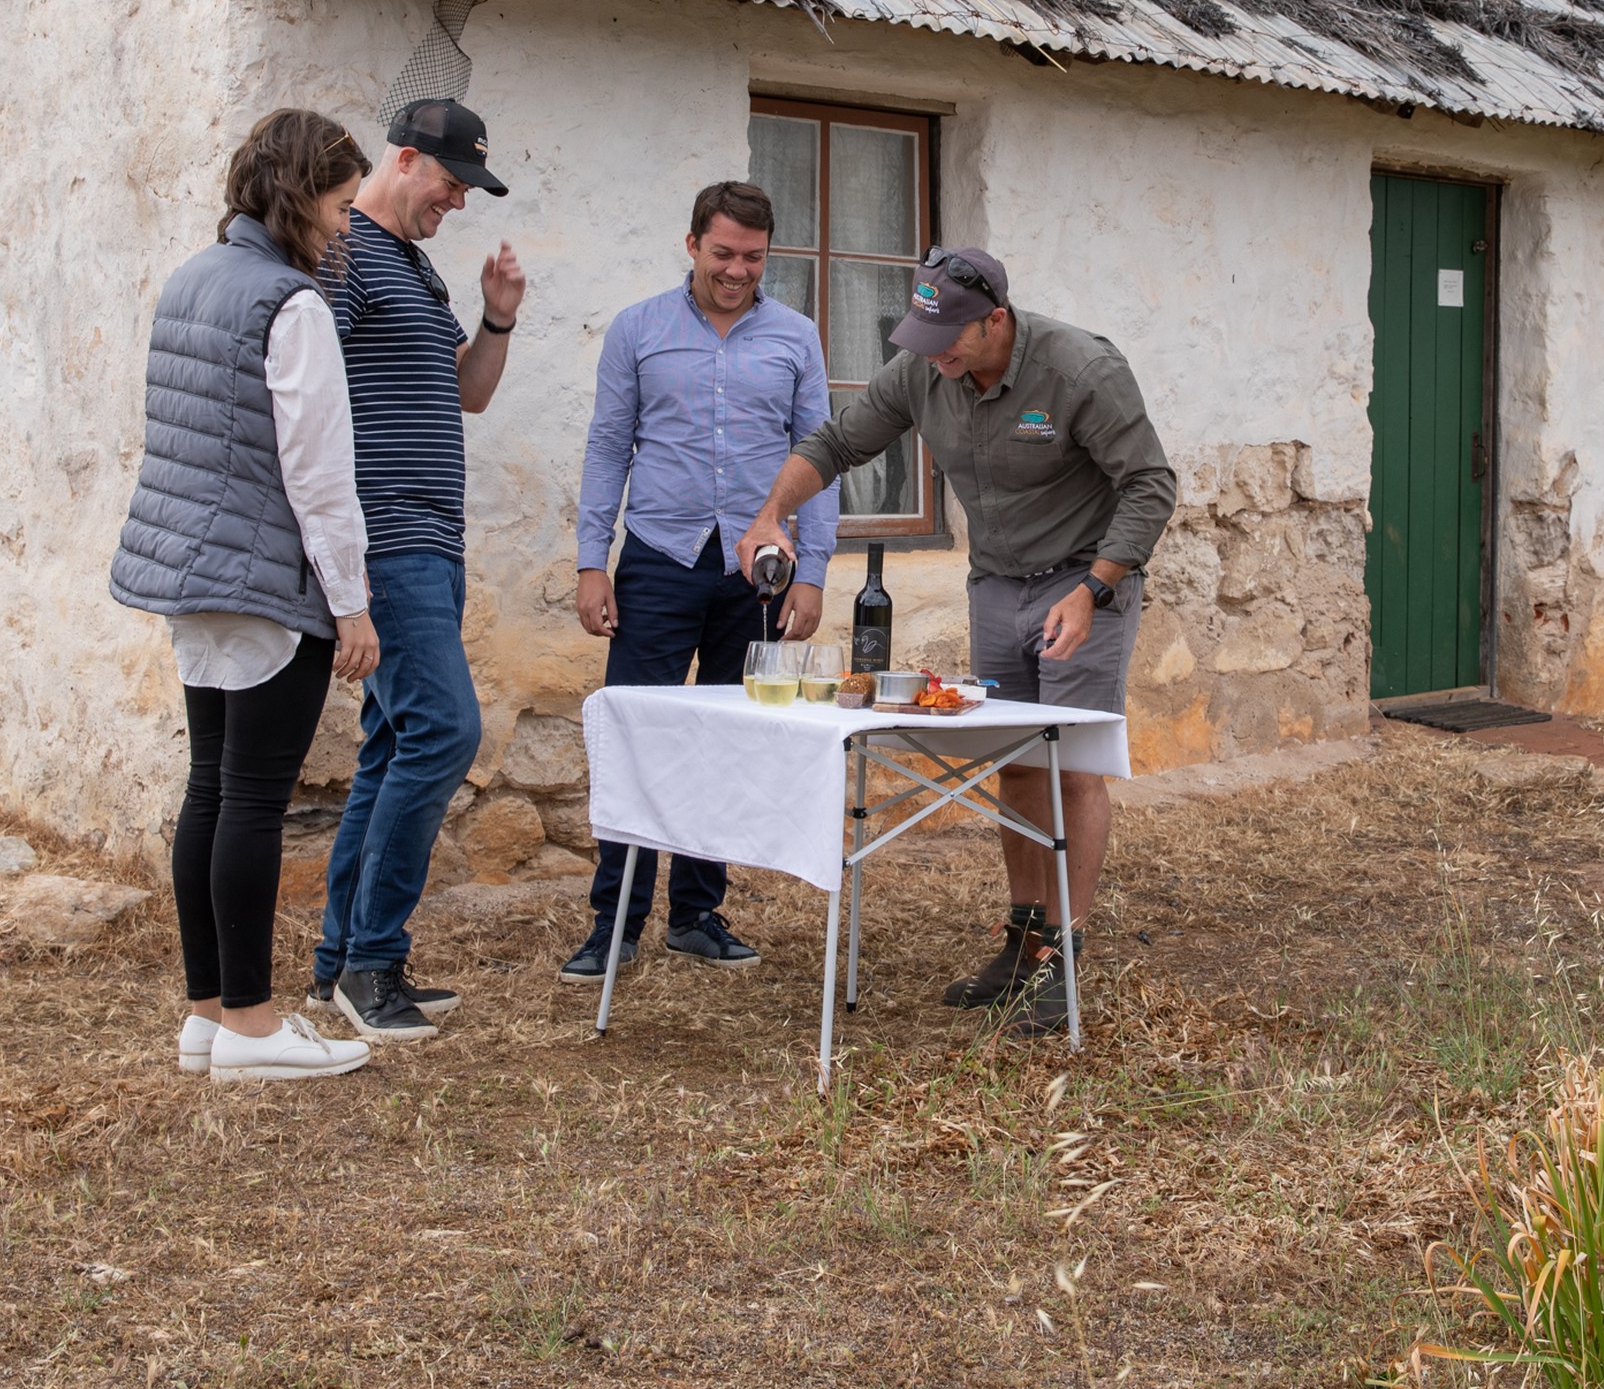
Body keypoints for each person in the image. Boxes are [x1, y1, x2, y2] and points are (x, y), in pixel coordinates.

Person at [736, 247, 1174, 1035]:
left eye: (949, 337)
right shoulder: (923, 368)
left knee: (1071, 765)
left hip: (1085, 582)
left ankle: (1063, 958)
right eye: (923, 333)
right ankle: (1023, 937)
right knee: (1014, 763)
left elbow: (1150, 484)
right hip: (998, 583)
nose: (932, 352)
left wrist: (1095, 588)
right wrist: (771, 515)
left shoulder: (1080, 370)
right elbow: (836, 444)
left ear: (996, 320)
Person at [111, 109, 379, 1083]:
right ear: (299, 195)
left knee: (213, 786)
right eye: (342, 205)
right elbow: (318, 474)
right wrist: (350, 606)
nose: (348, 226)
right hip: (266, 578)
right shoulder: (290, 303)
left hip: (191, 571)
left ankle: (208, 1015)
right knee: (256, 800)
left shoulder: (192, 279)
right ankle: (256, 1030)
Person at [559, 180, 839, 981]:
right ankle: (614, 922)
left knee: (726, 742)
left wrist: (811, 575)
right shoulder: (636, 331)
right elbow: (608, 448)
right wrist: (590, 562)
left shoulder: (796, 338)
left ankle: (698, 914)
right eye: (723, 254)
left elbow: (820, 455)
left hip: (757, 573)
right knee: (638, 737)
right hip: (657, 560)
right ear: (691, 246)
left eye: (752, 257)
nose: (736, 271)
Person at [310, 97, 527, 1043]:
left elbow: (468, 395)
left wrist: (497, 320)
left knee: (394, 747)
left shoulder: (415, 269)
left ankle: (340, 967)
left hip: (434, 542)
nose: (460, 202)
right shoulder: (345, 255)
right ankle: (371, 963)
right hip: (385, 538)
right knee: (444, 733)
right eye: (451, 181)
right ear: (404, 160)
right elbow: (305, 385)